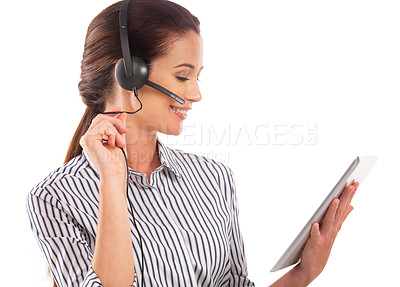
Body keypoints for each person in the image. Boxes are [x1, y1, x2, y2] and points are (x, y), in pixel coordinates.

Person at [26, 0, 359, 286]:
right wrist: (113, 179)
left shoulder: (214, 178)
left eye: (197, 77)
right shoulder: (54, 198)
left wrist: (303, 274)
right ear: (130, 74)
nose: (196, 94)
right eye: (183, 77)